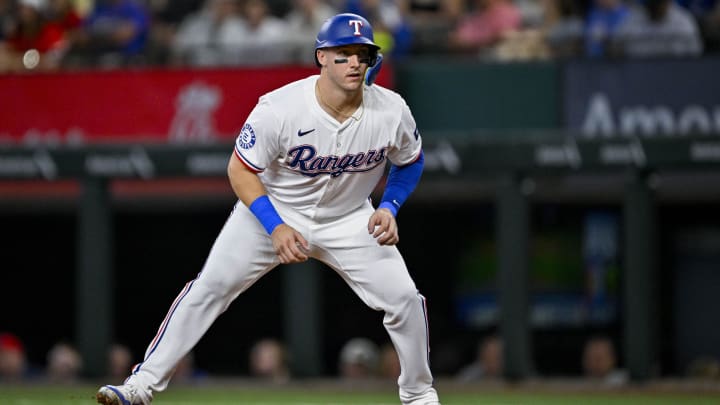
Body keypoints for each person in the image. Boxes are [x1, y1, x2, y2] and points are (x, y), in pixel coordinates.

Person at [95, 12, 440, 405]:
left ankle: (419, 394)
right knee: (209, 289)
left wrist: (391, 206)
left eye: (362, 54)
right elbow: (240, 170)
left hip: (349, 218)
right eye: (343, 54)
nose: (354, 63)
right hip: (272, 211)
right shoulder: (281, 108)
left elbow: (410, 159)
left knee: (405, 300)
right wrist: (274, 226)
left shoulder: (391, 109)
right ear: (321, 57)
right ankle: (140, 387)